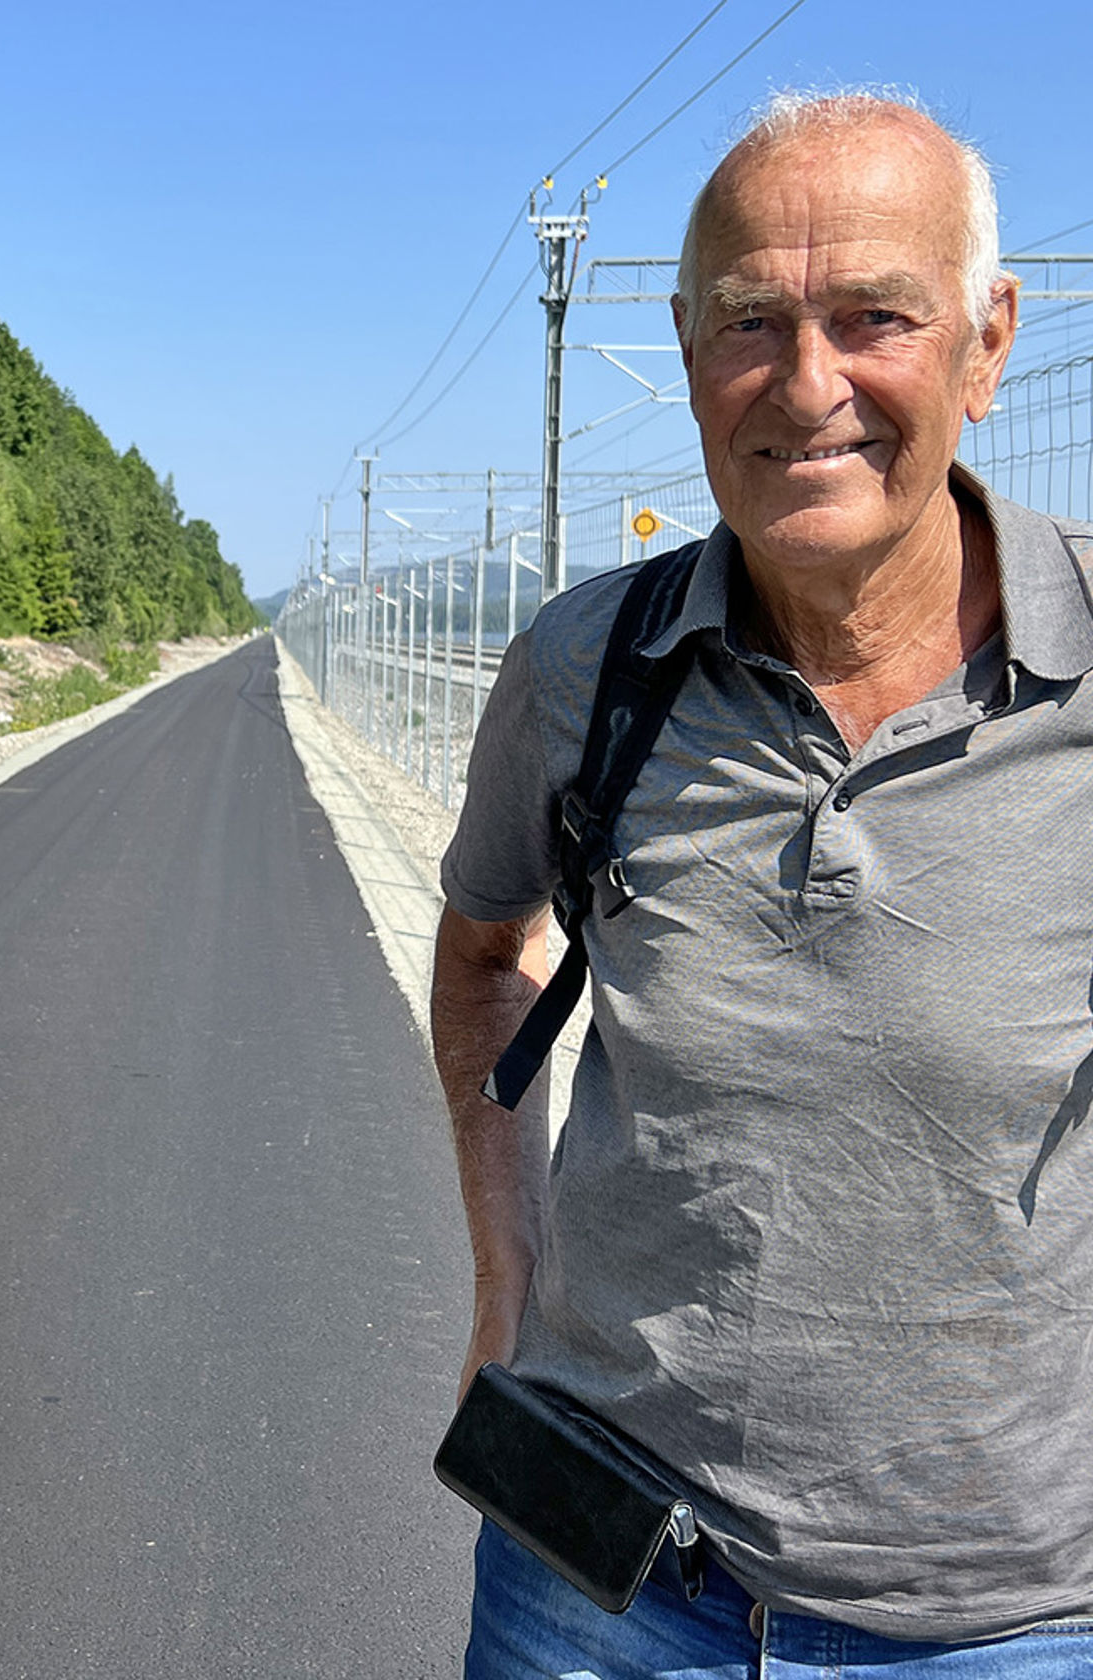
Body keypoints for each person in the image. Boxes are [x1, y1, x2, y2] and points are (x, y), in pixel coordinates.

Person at [433, 92, 1093, 1677]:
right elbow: (481, 957)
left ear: (987, 344)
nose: (810, 387)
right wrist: (506, 1277)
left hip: (1005, 1630)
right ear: (683, 347)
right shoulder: (585, 670)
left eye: (878, 315)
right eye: (749, 321)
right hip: (594, 1588)